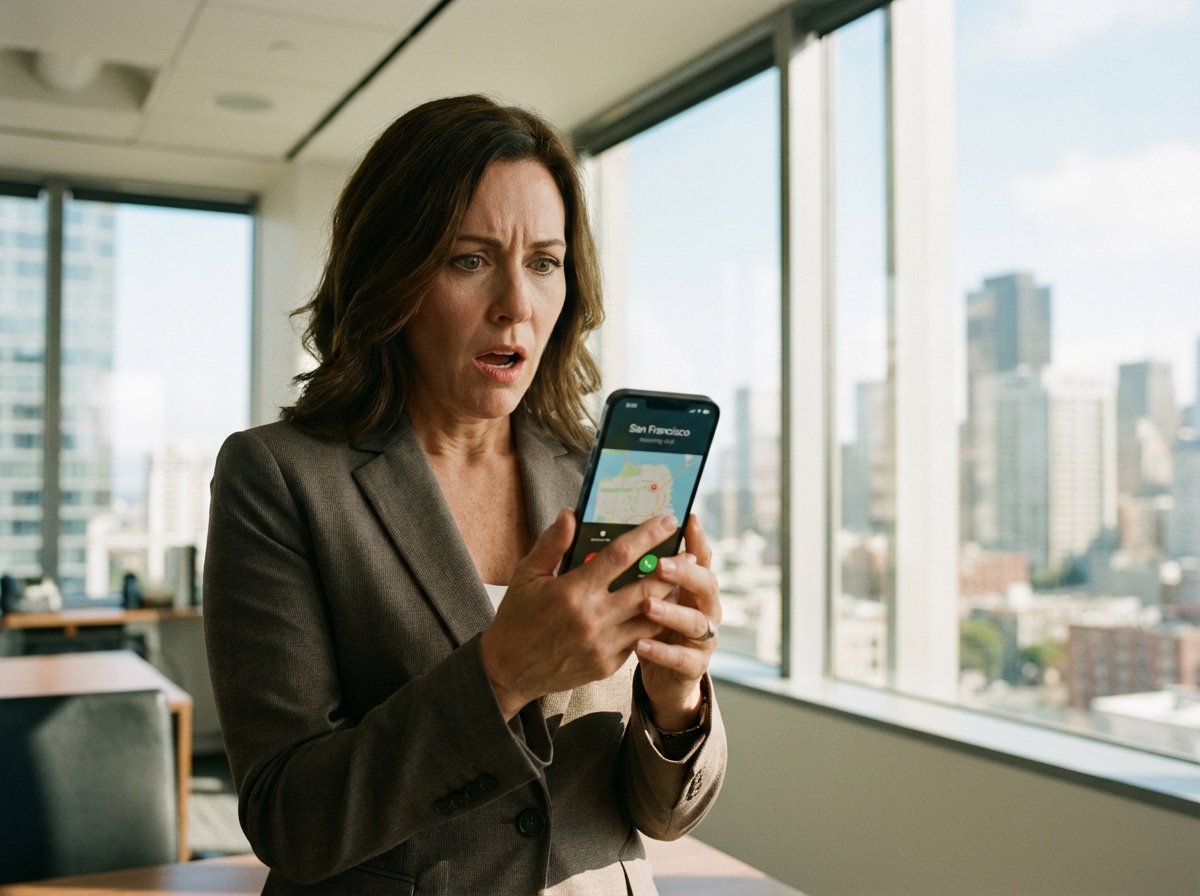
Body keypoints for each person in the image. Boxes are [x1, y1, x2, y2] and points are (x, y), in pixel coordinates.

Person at [203, 94, 726, 896]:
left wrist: (676, 700)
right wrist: (502, 673)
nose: (517, 304)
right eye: (469, 259)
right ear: (392, 277)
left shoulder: (596, 473)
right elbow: (288, 818)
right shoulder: (278, 478)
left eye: (545, 262)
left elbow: (659, 816)